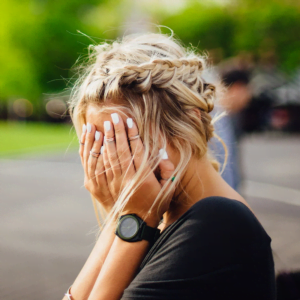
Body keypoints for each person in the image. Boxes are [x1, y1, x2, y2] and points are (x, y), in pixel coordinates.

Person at [64, 32, 276, 300]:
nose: (111, 162)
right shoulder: (159, 215)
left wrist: (134, 223)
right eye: (99, 144)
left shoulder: (218, 222)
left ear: (187, 124)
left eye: (125, 141)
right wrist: (121, 219)